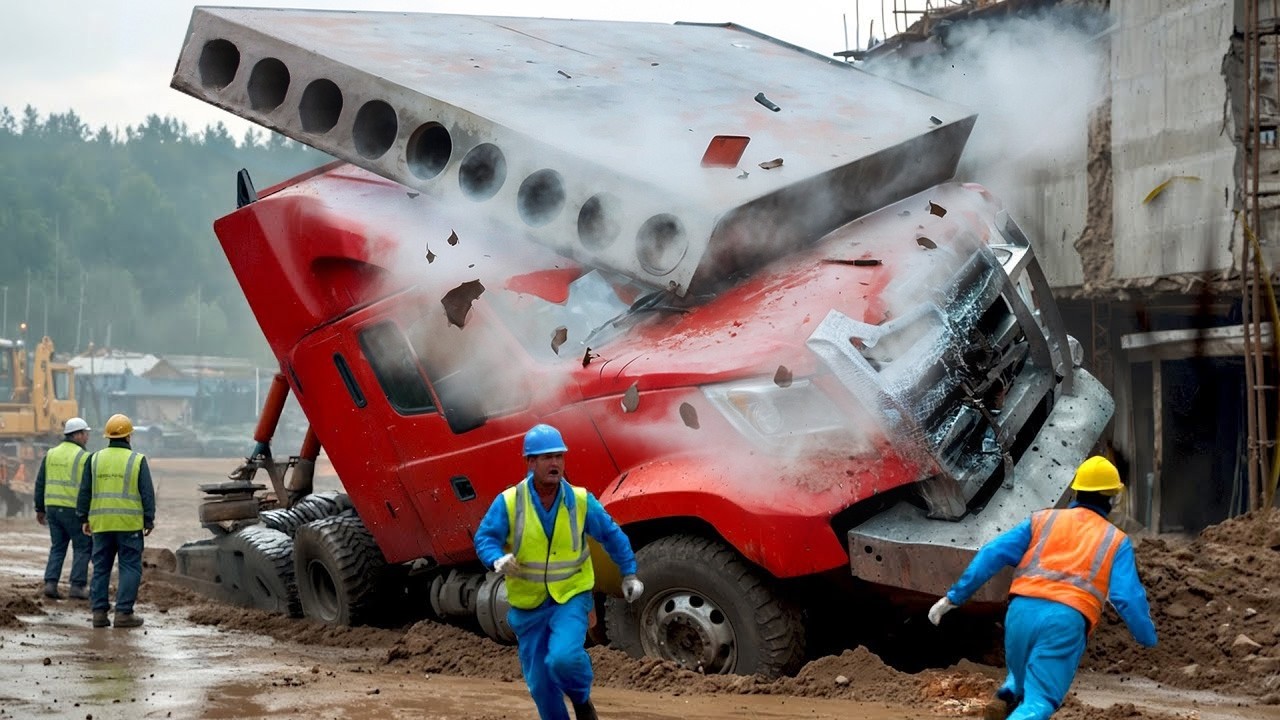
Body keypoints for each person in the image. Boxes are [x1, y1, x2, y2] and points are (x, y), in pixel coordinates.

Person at [927, 456, 1157, 720]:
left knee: (1021, 676)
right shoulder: (1116, 540)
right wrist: (1146, 638)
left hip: (1020, 612)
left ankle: (1006, 697)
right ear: (1112, 498)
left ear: (1076, 490)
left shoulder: (1042, 521)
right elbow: (1127, 598)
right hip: (1065, 619)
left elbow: (992, 552)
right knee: (1040, 701)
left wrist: (954, 597)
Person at [474, 423, 645, 720]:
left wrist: (629, 572)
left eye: (559, 456)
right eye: (546, 457)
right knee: (541, 685)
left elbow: (611, 535)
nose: (554, 463)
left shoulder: (580, 501)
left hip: (571, 596)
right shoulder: (510, 502)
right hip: (528, 607)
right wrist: (496, 559)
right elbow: (485, 538)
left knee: (563, 659)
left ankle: (581, 701)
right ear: (530, 462)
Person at [76, 413, 155, 629]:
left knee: (101, 568)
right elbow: (147, 493)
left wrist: (84, 517)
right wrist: (148, 520)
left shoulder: (94, 459)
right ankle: (123, 614)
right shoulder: (137, 460)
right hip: (129, 525)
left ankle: (99, 614)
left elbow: (85, 491)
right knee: (129, 567)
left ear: (107, 437)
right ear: (129, 437)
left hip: (101, 524)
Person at [34, 417, 93, 600]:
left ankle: (51, 584)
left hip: (52, 509)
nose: (87, 437)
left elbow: (40, 482)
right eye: (85, 433)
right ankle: (77, 586)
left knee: (58, 547)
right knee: (83, 547)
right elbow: (88, 488)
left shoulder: (51, 453)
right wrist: (89, 513)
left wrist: (39, 509)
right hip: (74, 510)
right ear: (77, 434)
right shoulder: (85, 457)